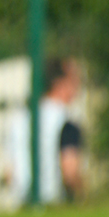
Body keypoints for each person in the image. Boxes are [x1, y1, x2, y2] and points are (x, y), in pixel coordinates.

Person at [39, 58, 85, 203]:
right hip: (53, 203)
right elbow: (70, 172)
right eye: (74, 79)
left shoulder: (20, 119)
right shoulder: (66, 123)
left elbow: (9, 173)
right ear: (60, 82)